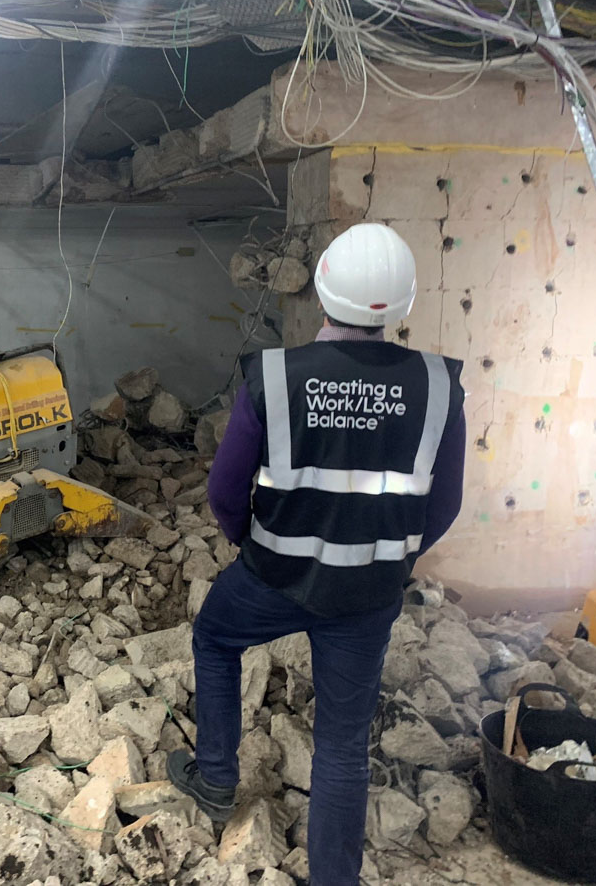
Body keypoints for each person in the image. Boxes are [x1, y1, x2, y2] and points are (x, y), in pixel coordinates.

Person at [167, 223, 466, 885]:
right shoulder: (438, 387)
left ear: (322, 289)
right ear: (403, 306)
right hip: (366, 596)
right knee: (339, 744)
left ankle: (215, 776)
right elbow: (443, 505)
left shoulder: (278, 375)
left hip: (273, 576)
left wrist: (250, 543)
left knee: (216, 637)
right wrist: (392, 559)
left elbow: (224, 488)